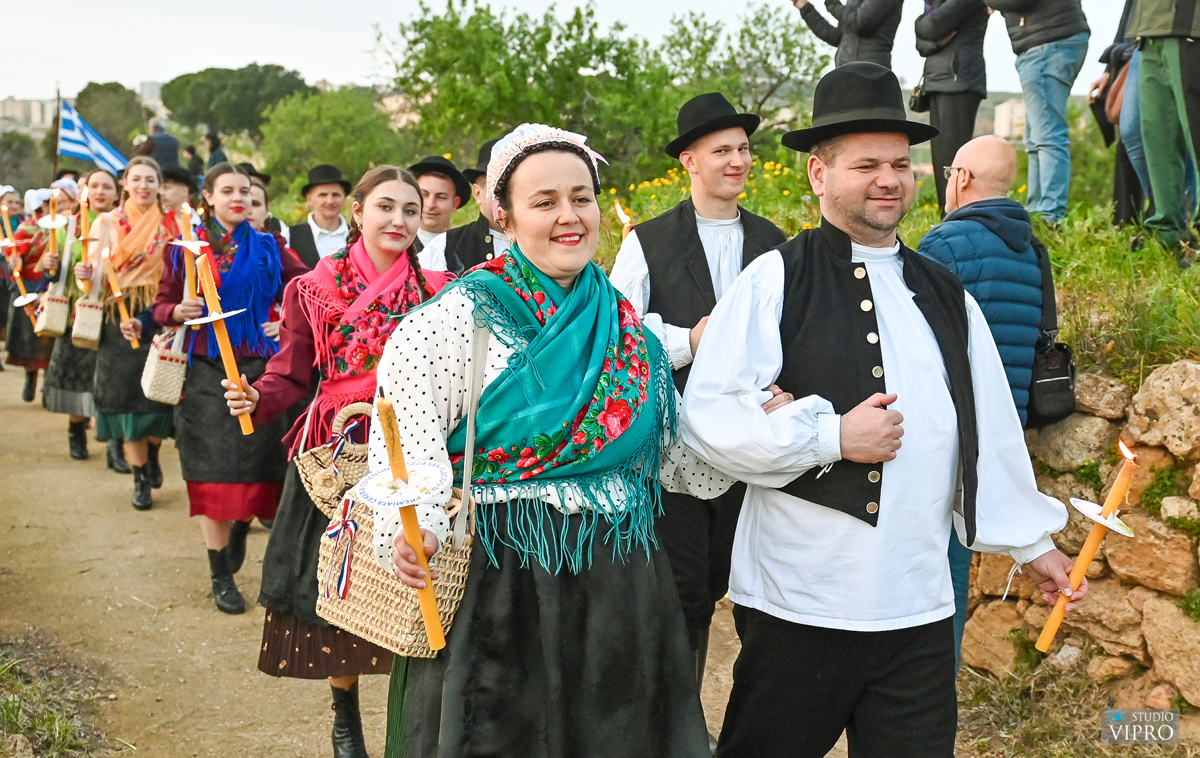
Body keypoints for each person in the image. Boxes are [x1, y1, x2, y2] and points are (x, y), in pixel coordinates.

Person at [681, 63, 1087, 757]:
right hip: (798, 605)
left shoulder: (946, 292)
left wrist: (1033, 543)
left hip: (919, 606)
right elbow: (709, 417)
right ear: (818, 174)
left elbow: (986, 425)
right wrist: (830, 434)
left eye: (901, 163)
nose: (889, 179)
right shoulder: (776, 278)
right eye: (865, 164)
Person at [377, 123, 742, 758]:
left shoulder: (631, 330)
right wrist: (413, 527)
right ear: (504, 214)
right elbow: (407, 445)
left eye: (582, 197)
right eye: (544, 202)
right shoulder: (453, 321)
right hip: (499, 587)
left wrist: (762, 422)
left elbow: (675, 456)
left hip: (619, 585)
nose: (569, 217)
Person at [223, 166, 452, 758]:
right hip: (337, 449)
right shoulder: (313, 288)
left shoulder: (440, 289)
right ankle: (344, 712)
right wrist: (257, 395)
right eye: (386, 207)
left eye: (411, 209)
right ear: (358, 212)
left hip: (415, 447)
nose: (399, 219)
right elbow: (292, 371)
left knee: (422, 586)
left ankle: (414, 722)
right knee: (341, 592)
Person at [608, 91, 786, 742]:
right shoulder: (647, 242)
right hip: (675, 457)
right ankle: (679, 734)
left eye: (743, 148)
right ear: (689, 160)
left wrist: (784, 388)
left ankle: (752, 737)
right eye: (723, 150)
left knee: (755, 602)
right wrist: (691, 339)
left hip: (755, 456)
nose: (738, 160)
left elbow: (791, 332)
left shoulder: (773, 243)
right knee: (682, 600)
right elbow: (618, 338)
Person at [151, 162, 307, 614]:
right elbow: (161, 306)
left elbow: (304, 288)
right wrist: (178, 309)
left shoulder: (269, 246)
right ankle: (221, 574)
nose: (238, 197)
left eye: (245, 190)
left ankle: (241, 525)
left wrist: (284, 320)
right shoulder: (184, 248)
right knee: (211, 475)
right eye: (227, 190)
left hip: (259, 372)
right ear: (209, 197)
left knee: (260, 469)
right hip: (203, 374)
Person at [916, 135, 1045, 667]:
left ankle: (918, 684)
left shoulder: (946, 245)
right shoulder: (1030, 248)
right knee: (956, 561)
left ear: (962, 178)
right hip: (1000, 426)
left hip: (944, 427)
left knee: (928, 564)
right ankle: (939, 677)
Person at [75, 158, 181, 510]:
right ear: (126, 183)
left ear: (160, 184)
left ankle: (152, 454)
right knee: (127, 404)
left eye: (150, 179)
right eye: (136, 179)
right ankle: (139, 479)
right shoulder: (106, 221)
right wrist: (83, 272)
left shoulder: (174, 222)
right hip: (117, 317)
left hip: (160, 315)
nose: (143, 186)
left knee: (157, 400)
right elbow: (88, 282)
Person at [989, 0, 1090, 226]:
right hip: (1051, 40)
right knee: (1036, 136)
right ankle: (1037, 210)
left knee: (1047, 136)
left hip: (1048, 41)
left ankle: (1050, 215)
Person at [1126, 0, 1200, 264]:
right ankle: (1167, 237)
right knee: (1158, 141)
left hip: (1190, 26)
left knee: (1195, 134)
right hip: (1150, 30)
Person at [42, 173, 109, 461]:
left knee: (111, 380)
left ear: (118, 192)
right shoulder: (66, 226)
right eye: (94, 186)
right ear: (84, 191)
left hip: (114, 313)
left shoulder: (123, 225)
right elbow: (53, 270)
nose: (100, 191)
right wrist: (50, 264)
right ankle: (76, 429)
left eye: (107, 186)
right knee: (78, 376)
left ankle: (115, 441)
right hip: (77, 312)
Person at [914, 0, 989, 211]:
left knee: (954, 159)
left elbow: (928, 28)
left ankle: (958, 216)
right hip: (938, 81)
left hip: (959, 81)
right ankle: (945, 214)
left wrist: (928, 29)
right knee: (941, 161)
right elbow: (921, 43)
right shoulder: (936, 5)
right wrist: (935, 39)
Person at [418, 139, 507, 273]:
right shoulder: (444, 247)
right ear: (477, 193)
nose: (510, 195)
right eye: (498, 188)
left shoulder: (545, 240)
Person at [5, 188, 54, 402]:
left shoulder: (61, 226)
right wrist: (13, 262)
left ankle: (49, 386)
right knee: (29, 337)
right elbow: (13, 257)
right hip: (28, 285)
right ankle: (30, 377)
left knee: (51, 337)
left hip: (52, 286)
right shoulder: (27, 228)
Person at [789, 0, 902, 68]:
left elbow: (859, 24)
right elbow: (836, 37)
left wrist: (831, 3)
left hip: (870, 74)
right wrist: (805, 8)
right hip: (845, 73)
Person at [285, 165, 351, 268]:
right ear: (309, 199)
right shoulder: (288, 237)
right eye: (323, 195)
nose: (330, 201)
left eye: (336, 195)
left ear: (344, 198)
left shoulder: (361, 236)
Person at [407, 155, 469, 247]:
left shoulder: (467, 249)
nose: (430, 204)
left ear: (455, 203)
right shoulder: (396, 246)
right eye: (424, 194)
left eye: (441, 197)